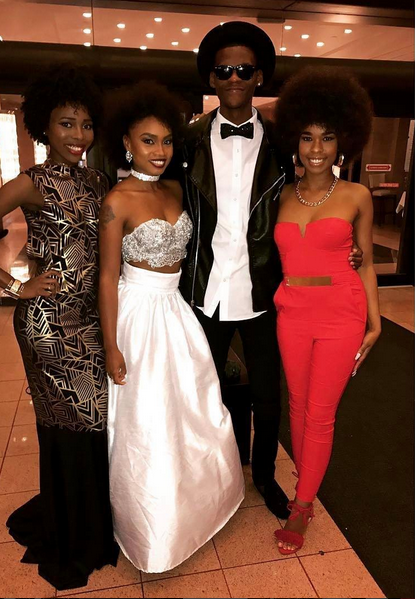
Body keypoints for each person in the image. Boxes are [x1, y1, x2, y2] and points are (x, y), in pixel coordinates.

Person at [180, 21, 364, 521]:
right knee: (202, 393)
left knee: (268, 398)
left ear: (259, 76)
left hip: (265, 291)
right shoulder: (187, 142)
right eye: (224, 70)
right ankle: (212, 478)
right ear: (211, 78)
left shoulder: (285, 142)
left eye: (244, 69)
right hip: (204, 289)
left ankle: (264, 474)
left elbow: (312, 200)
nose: (234, 78)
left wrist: (345, 250)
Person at [0, 64, 119, 590]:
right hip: (49, 324)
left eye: (85, 124)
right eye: (66, 124)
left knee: (94, 420)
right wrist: (16, 286)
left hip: (91, 321)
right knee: (71, 423)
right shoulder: (30, 182)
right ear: (44, 127)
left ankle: (87, 524)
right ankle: (72, 535)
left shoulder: (99, 181)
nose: (78, 136)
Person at [98, 81, 244, 574]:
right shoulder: (117, 199)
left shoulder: (176, 189)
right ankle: (151, 529)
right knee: (148, 420)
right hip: (138, 314)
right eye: (147, 141)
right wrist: (111, 345)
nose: (159, 151)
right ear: (126, 142)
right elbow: (107, 276)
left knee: (194, 409)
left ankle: (199, 506)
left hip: (176, 312)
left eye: (165, 141)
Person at [272, 66, 381, 554]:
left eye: (327, 137)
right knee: (297, 405)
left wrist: (375, 322)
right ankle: (307, 476)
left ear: (343, 142)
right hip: (291, 312)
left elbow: (366, 262)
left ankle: (302, 506)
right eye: (307, 137)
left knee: (320, 413)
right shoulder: (281, 196)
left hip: (341, 312)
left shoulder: (357, 195)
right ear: (295, 141)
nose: (316, 148)